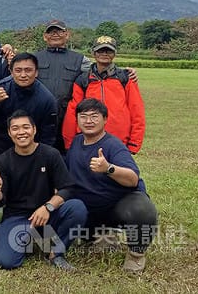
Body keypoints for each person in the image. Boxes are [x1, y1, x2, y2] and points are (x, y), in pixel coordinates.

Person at [65, 98, 158, 272]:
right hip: (91, 206)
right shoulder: (77, 142)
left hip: (118, 204)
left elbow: (132, 179)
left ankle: (136, 254)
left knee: (142, 210)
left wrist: (108, 168)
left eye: (94, 116)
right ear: (77, 120)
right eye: (83, 116)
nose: (89, 121)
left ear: (105, 119)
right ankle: (102, 235)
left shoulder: (113, 145)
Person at [0, 110, 87, 271]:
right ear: (9, 133)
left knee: (77, 207)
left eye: (26, 127)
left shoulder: (50, 154)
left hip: (46, 215)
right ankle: (23, 239)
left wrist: (48, 207)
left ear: (34, 130)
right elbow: (0, 201)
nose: (21, 132)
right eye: (15, 128)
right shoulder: (3, 161)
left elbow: (67, 188)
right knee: (6, 262)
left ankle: (56, 253)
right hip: (17, 217)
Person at [63, 36, 145, 154]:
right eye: (100, 51)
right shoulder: (83, 80)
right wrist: (70, 143)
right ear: (93, 53)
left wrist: (134, 143)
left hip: (119, 140)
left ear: (115, 53)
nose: (104, 54)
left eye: (109, 51)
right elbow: (73, 112)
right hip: (88, 140)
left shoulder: (125, 78)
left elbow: (136, 110)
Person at [0, 52, 58, 171]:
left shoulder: (46, 99)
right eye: (18, 70)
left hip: (28, 144)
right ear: (11, 71)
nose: (23, 75)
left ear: (36, 72)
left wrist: (41, 157)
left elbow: (48, 135)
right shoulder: (1, 89)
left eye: (28, 70)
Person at [34, 20, 92, 152]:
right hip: (40, 116)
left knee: (69, 155)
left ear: (67, 35)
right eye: (51, 31)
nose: (55, 34)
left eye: (59, 31)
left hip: (69, 117)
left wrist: (126, 73)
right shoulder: (33, 58)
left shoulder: (81, 60)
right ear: (45, 36)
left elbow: (98, 74)